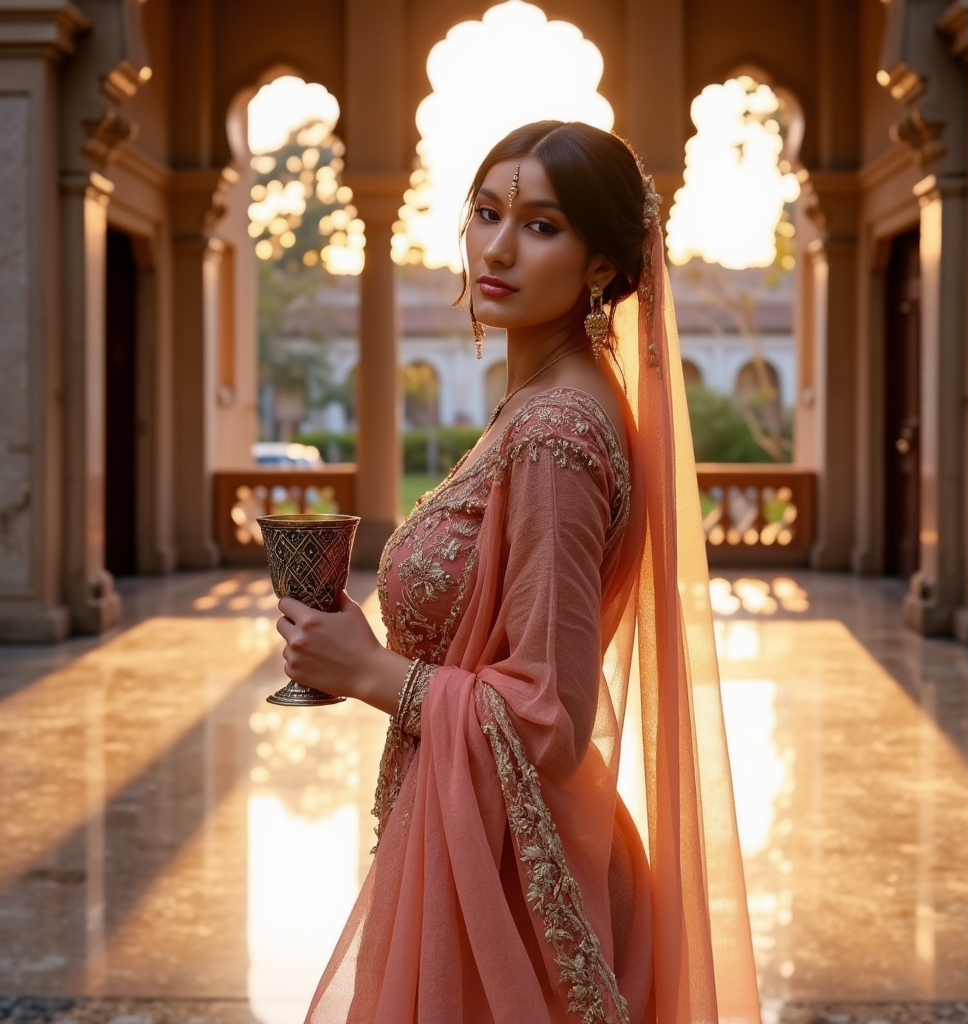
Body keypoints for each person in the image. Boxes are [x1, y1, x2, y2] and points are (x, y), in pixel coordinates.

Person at [275, 121, 761, 1024]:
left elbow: (548, 721)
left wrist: (371, 672)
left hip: (516, 893)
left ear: (604, 266)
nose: (497, 246)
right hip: (494, 849)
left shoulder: (554, 436)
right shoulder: (539, 406)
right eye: (487, 212)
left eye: (541, 225)